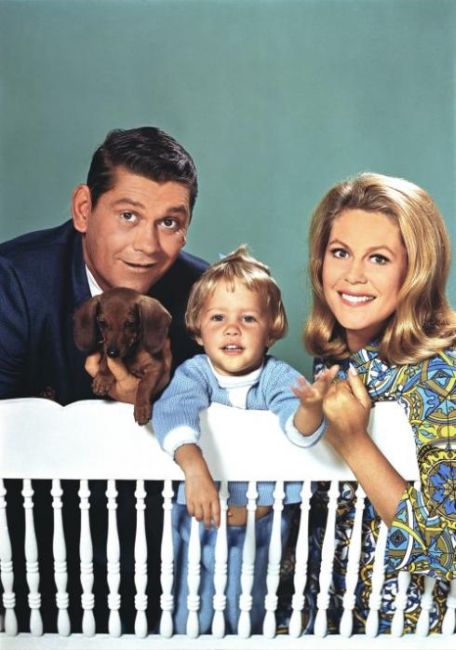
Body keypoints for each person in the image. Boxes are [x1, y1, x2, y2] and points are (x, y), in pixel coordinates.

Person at [0, 126, 208, 632]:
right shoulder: (14, 280)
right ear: (84, 209)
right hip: (23, 544)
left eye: (169, 222)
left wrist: (152, 401)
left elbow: (240, 415)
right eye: (128, 216)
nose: (148, 246)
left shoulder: (206, 293)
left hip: (153, 553)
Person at [152, 246, 338, 633]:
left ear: (271, 330)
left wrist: (310, 407)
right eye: (218, 317)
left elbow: (298, 427)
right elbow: (173, 411)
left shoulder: (277, 377)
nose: (232, 328)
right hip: (200, 513)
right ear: (198, 330)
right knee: (191, 603)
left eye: (248, 318)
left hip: (260, 518)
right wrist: (195, 469)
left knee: (248, 606)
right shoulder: (194, 374)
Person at [300, 172, 455, 633]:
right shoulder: (333, 362)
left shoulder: (442, 373)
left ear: (415, 271)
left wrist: (354, 443)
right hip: (327, 620)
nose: (353, 275)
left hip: (413, 630)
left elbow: (449, 545)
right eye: (340, 252)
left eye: (379, 258)